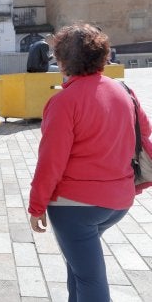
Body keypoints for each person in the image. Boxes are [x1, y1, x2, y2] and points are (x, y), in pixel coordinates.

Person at [28, 23, 152, 301]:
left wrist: (36, 206)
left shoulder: (64, 102)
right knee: (79, 268)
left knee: (89, 278)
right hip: (119, 201)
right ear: (102, 57)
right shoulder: (125, 91)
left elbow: (51, 161)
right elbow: (143, 132)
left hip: (75, 207)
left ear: (62, 61)